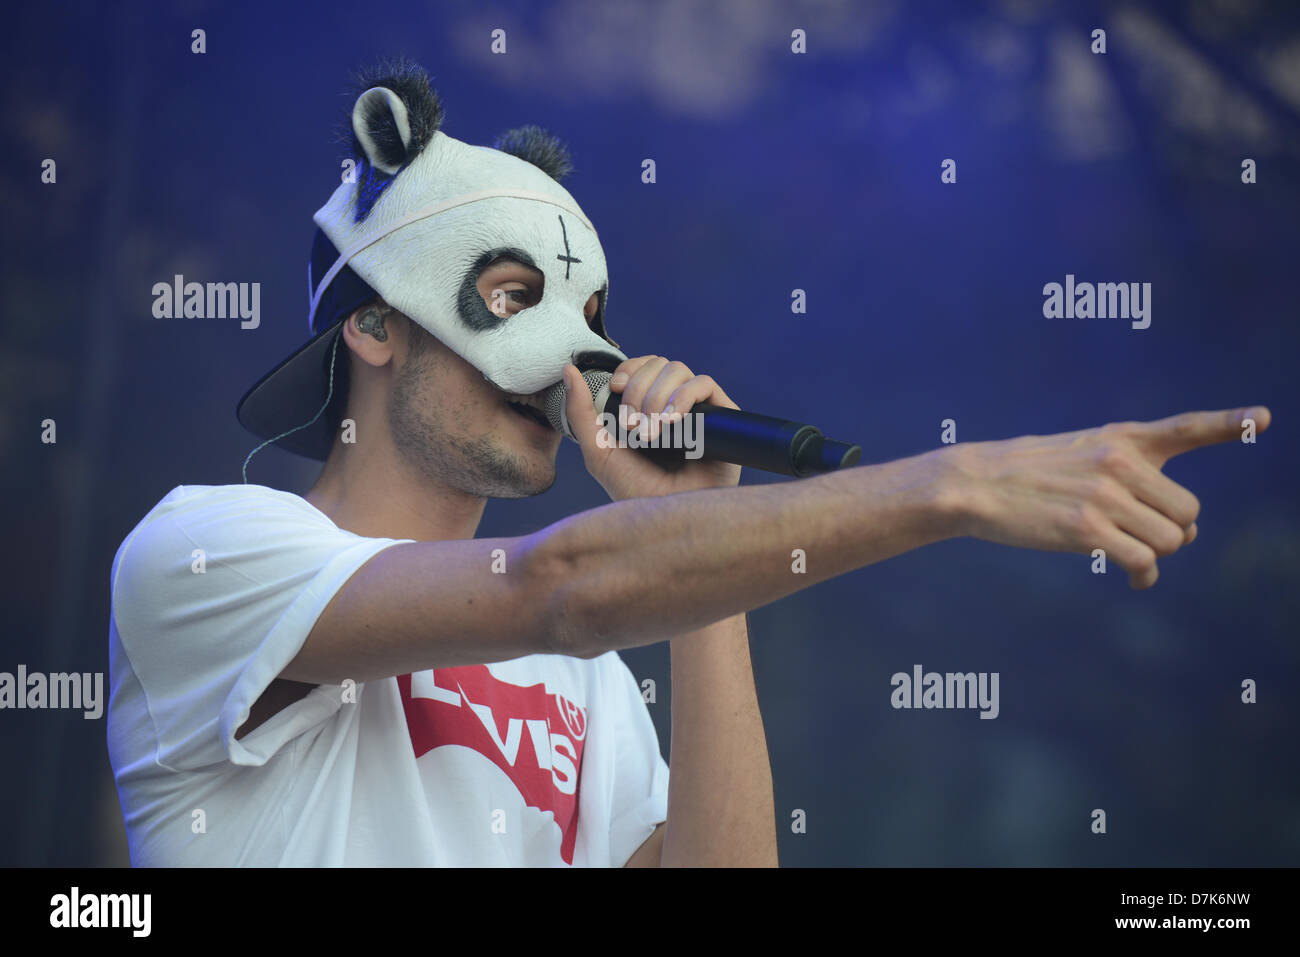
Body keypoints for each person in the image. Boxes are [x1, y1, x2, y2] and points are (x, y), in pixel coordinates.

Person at [106, 57, 1271, 867]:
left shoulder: (594, 684)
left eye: (590, 310)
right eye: (512, 297)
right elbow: (562, 589)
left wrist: (699, 554)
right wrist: (950, 484)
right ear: (372, 327)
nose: (576, 354)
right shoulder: (206, 555)